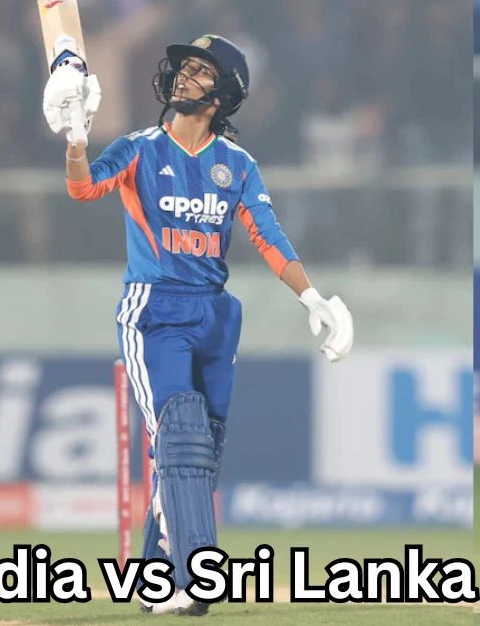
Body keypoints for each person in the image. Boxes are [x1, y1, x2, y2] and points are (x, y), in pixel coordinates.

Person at [43, 34, 355, 615]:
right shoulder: (138, 149)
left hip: (215, 314)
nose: (183, 76)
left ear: (224, 93)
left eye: (199, 71)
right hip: (154, 311)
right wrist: (77, 138)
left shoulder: (236, 164)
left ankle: (155, 578)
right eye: (183, 66)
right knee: (179, 433)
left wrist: (313, 297)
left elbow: (267, 234)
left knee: (200, 450)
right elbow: (84, 187)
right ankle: (197, 577)